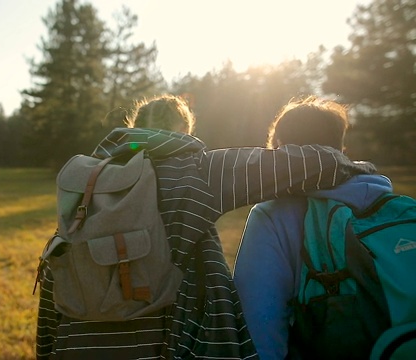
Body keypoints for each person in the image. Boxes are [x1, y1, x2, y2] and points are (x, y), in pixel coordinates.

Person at [35, 94, 376, 359]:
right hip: (177, 346)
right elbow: (316, 161)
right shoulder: (198, 172)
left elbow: (57, 272)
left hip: (75, 345)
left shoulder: (87, 184)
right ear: (185, 131)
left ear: (134, 125)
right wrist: (357, 168)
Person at [233, 96, 391, 359]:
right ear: (340, 149)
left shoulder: (271, 215)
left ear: (280, 149)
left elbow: (258, 321)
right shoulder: (386, 202)